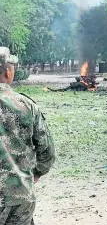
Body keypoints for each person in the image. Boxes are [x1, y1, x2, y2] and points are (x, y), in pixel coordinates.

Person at [0, 56, 55, 224]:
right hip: (20, 196)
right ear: (8, 72)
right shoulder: (27, 105)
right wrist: (36, 173)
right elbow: (47, 152)